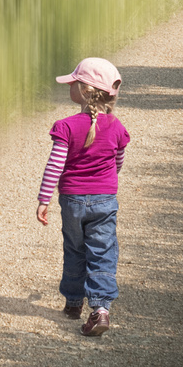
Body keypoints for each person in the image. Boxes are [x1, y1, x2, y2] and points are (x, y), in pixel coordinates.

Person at [36, 57, 130, 336]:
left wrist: (44, 199)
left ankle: (74, 302)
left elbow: (55, 165)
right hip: (104, 198)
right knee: (102, 253)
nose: (70, 87)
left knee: (75, 249)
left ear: (85, 91)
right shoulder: (116, 126)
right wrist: (106, 179)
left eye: (74, 83)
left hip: (73, 201)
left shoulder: (66, 126)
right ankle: (100, 309)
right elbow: (118, 162)